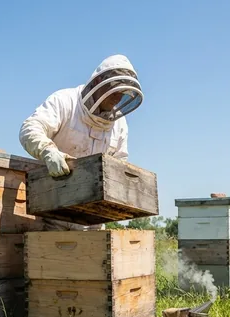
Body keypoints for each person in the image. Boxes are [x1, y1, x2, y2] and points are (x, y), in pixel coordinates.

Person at [19, 54, 144, 231]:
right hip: (52, 214)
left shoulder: (120, 124)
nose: (118, 97)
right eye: (114, 89)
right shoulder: (65, 101)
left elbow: (119, 164)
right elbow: (30, 128)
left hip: (93, 221)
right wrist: (48, 151)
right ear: (98, 81)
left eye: (123, 92)